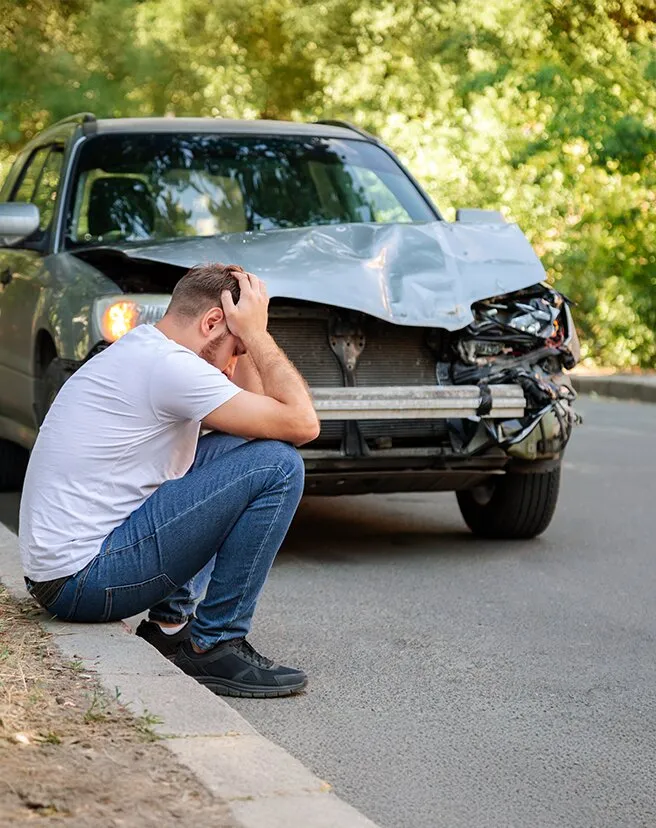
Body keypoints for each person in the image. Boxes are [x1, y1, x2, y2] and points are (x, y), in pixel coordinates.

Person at [19, 263, 320, 698]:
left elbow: (263, 423)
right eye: (234, 348)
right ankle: (215, 645)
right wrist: (257, 334)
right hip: (80, 582)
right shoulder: (170, 368)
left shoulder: (147, 350)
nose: (232, 367)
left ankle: (169, 627)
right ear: (212, 322)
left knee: (244, 449)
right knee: (279, 466)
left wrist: (246, 338)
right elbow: (302, 424)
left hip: (67, 571)